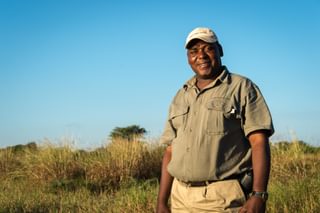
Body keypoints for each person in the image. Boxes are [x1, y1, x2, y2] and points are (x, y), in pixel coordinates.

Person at [156, 27, 274, 213]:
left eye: (207, 48)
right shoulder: (181, 95)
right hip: (180, 197)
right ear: (188, 57)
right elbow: (170, 151)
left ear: (220, 50)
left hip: (222, 198)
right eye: (193, 51)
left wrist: (259, 195)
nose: (200, 55)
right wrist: (162, 201)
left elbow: (259, 141)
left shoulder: (241, 87)